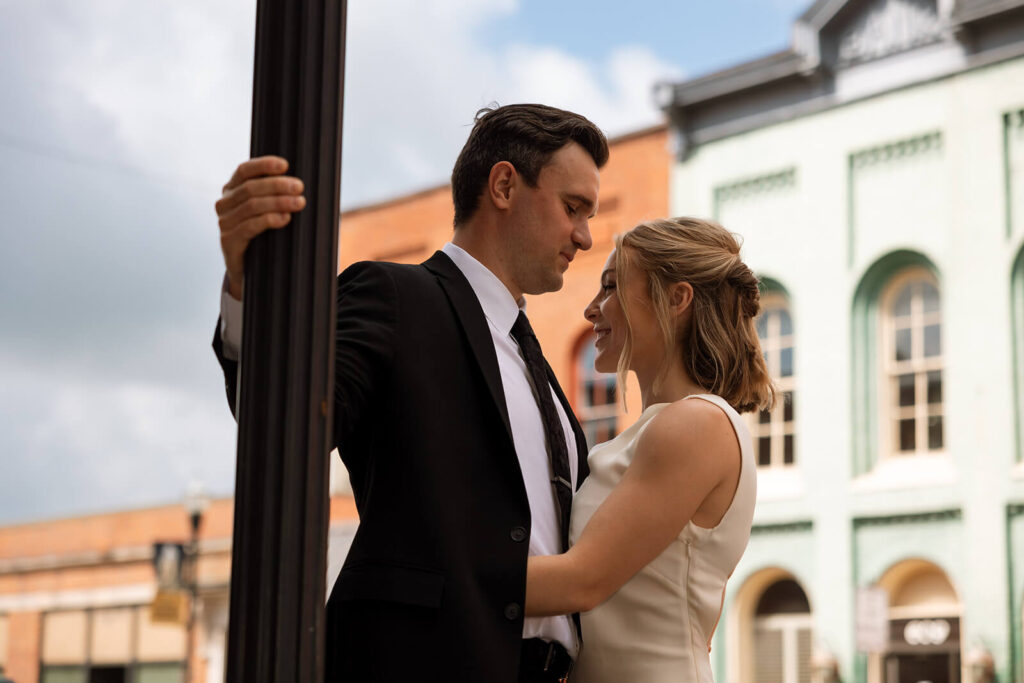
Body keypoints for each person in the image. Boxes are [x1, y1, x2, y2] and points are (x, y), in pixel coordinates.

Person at [212, 104, 609, 682]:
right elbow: (283, 427)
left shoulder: (539, 363)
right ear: (503, 185)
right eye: (573, 207)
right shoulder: (393, 296)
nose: (585, 236)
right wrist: (248, 289)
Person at [524, 217, 775, 682]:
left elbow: (581, 580)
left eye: (611, 287)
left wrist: (436, 575)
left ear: (678, 298)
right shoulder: (664, 428)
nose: (592, 309)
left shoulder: (696, 423)